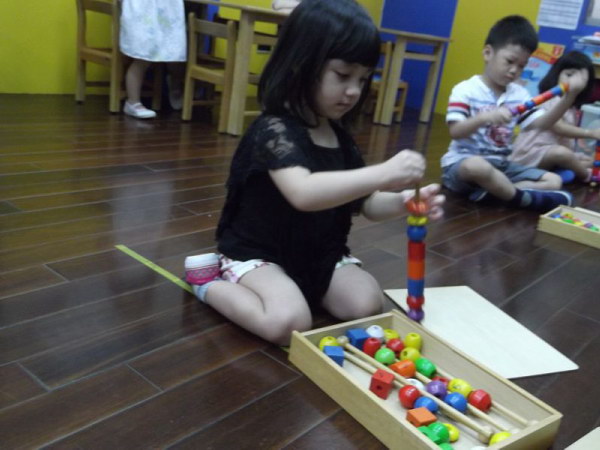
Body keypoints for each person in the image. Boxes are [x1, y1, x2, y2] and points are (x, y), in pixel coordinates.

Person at [184, 0, 445, 346]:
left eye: (363, 79)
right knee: (288, 323)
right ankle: (208, 283)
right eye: (342, 75)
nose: (354, 91)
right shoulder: (274, 130)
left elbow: (366, 203)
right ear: (301, 64)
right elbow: (303, 192)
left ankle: (295, 288)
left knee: (366, 303)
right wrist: (383, 172)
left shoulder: (339, 136)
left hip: (318, 253)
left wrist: (402, 203)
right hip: (260, 253)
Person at [441, 15, 588, 211]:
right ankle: (520, 198)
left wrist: (570, 97)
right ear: (487, 53)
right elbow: (455, 132)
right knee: (477, 166)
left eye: (521, 66)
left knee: (553, 180)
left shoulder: (519, 94)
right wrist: (483, 118)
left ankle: (495, 193)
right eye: (509, 61)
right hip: (462, 166)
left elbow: (543, 124)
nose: (514, 70)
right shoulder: (465, 90)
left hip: (501, 166)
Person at [511, 51, 598, 183]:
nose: (574, 82)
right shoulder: (549, 99)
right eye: (569, 75)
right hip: (529, 154)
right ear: (557, 74)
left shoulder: (572, 108)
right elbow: (559, 127)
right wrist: (590, 133)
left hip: (550, 154)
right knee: (562, 154)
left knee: (585, 159)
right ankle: (586, 175)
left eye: (581, 80)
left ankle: (573, 170)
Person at [119, 0, 186, 119]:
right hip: (142, 12)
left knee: (175, 55)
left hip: (168, 12)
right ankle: (133, 102)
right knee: (142, 58)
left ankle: (175, 85)